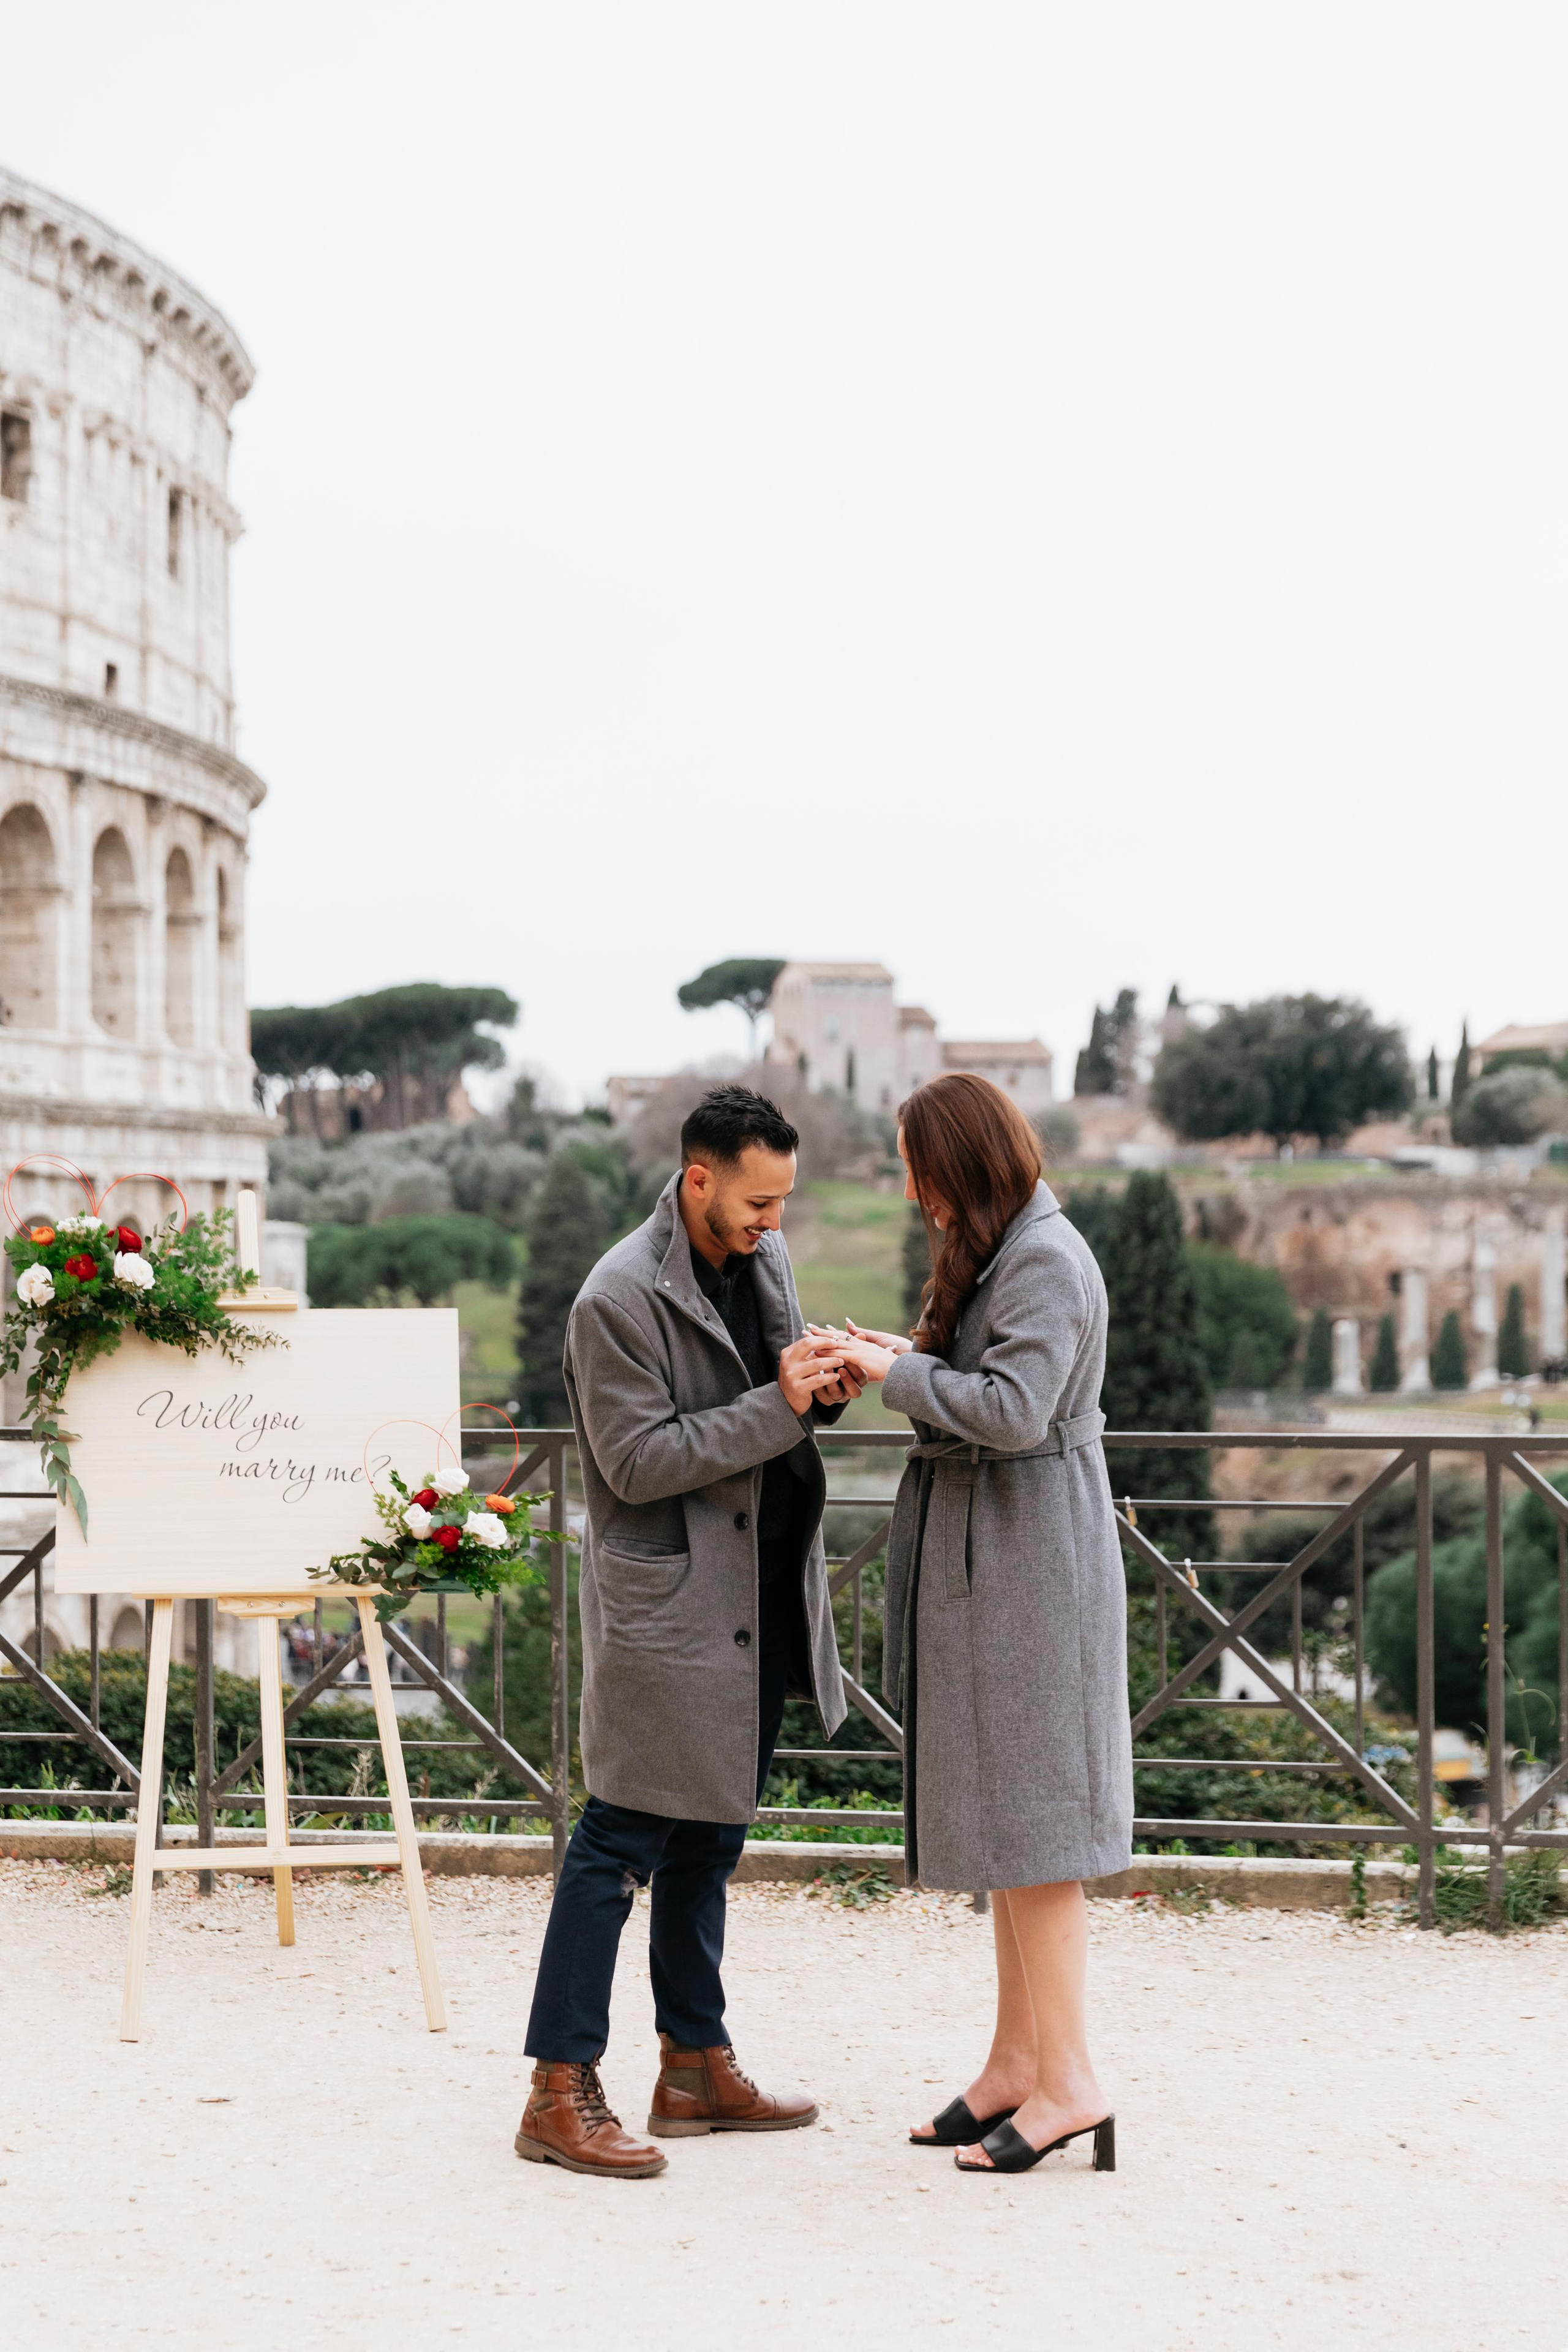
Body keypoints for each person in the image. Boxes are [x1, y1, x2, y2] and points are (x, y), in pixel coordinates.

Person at [515, 1083, 858, 2180]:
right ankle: (556, 2092)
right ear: (697, 1179)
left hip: (765, 1594)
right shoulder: (613, 1299)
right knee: (617, 1842)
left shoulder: (764, 1255)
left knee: (713, 1836)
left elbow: (777, 1392)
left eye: (784, 1201)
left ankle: (695, 2065)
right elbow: (636, 1463)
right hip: (670, 1607)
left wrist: (824, 1383)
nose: (775, 1222)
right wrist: (781, 1406)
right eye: (759, 1202)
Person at [833, 1071, 1132, 2179]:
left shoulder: (1046, 1258)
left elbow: (1014, 1413)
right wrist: (899, 1360)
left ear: (958, 1163)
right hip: (1001, 1554)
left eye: (918, 1166)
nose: (910, 1189)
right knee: (1012, 1822)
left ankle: (1072, 2082)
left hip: (1030, 1558)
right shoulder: (1012, 1251)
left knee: (1039, 1828)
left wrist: (899, 1374)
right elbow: (990, 1384)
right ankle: (1017, 2065)